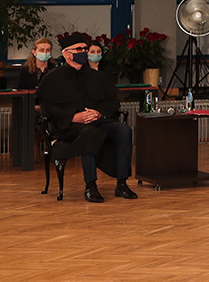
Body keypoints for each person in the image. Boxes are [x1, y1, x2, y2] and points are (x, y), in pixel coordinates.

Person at [36, 33, 137, 202]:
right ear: (67, 54)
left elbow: (113, 102)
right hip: (69, 126)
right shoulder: (52, 78)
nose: (83, 52)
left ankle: (122, 184)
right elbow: (48, 108)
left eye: (85, 49)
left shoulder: (97, 76)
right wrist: (73, 117)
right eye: (79, 49)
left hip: (98, 121)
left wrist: (98, 113)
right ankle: (90, 186)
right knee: (90, 133)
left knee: (124, 130)